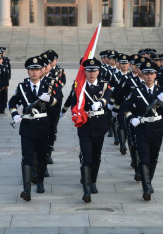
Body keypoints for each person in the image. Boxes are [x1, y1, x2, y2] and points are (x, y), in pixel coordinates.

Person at [9, 56, 59, 201]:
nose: (35, 72)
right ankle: (26, 189)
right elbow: (12, 103)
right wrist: (14, 115)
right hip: (27, 126)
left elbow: (57, 103)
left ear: (41, 70)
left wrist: (51, 100)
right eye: (32, 69)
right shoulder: (22, 87)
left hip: (43, 126)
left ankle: (40, 181)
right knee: (27, 157)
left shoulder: (48, 85)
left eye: (37, 69)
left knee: (42, 156)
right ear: (28, 71)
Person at [123, 60, 163, 201]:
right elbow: (125, 107)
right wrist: (131, 118)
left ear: (156, 75)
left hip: (157, 128)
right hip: (141, 128)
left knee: (153, 157)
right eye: (146, 74)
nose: (149, 76)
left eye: (151, 73)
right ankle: (146, 187)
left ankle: (149, 182)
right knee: (144, 157)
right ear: (142, 75)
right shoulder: (136, 90)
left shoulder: (161, 91)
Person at [71, 58, 111, 203]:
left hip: (99, 124)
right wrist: (75, 113)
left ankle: (92, 180)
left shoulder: (104, 85)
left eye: (94, 70)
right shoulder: (78, 85)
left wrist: (101, 102)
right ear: (84, 71)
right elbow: (73, 102)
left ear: (99, 71)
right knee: (86, 156)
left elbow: (108, 97)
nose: (92, 73)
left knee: (96, 155)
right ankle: (87, 188)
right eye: (88, 70)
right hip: (84, 124)